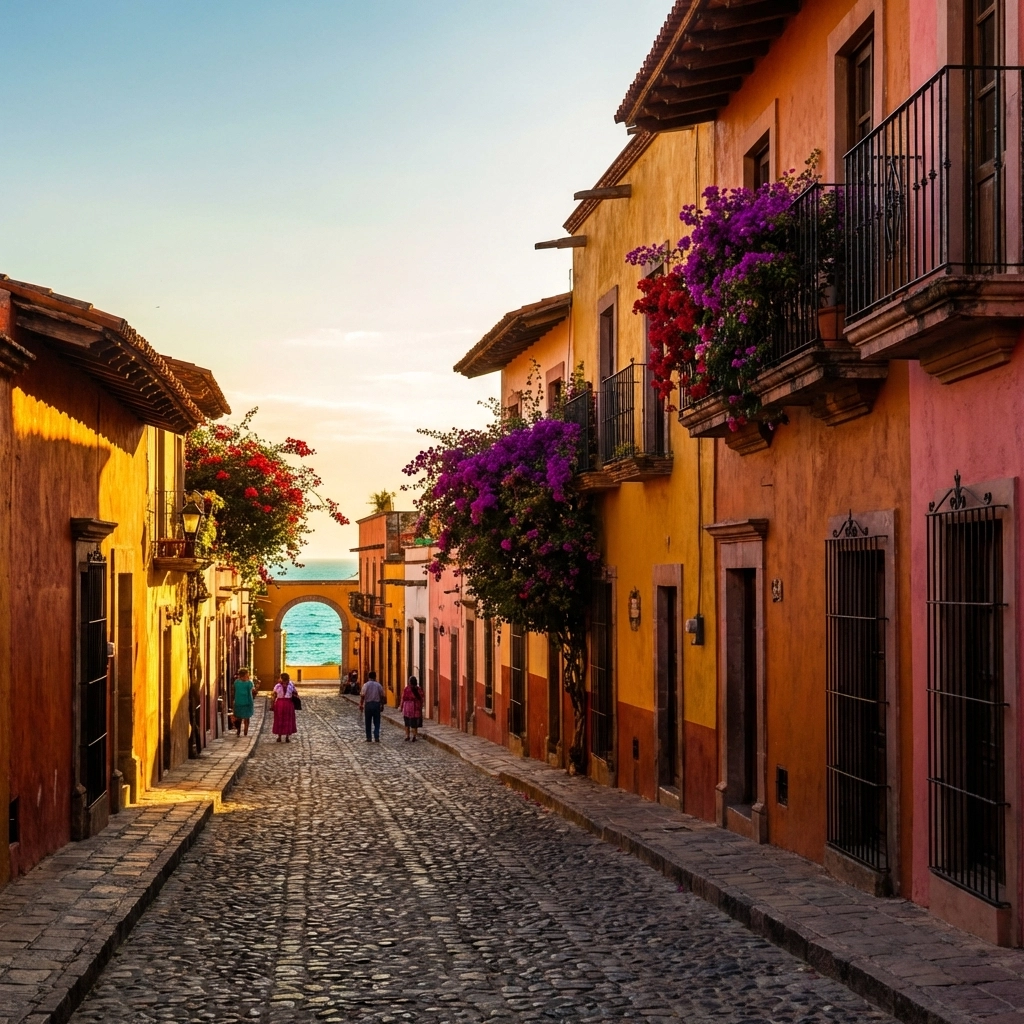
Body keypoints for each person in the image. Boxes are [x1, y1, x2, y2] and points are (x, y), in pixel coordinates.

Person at [360, 670, 385, 743]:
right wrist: (382, 705)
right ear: (375, 677)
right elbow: (382, 696)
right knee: (377, 721)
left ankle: (369, 737)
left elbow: (362, 696)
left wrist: (361, 704)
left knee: (368, 721)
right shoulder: (378, 685)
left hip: (368, 705)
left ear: (368, 677)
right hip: (376, 705)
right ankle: (376, 736)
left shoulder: (366, 685)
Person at [273, 672, 298, 743]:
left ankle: (279, 736)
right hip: (288, 704)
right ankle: (287, 737)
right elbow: (295, 693)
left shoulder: (277, 686)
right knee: (288, 720)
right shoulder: (291, 685)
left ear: (281, 679)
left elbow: (274, 695)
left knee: (279, 719)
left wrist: (272, 705)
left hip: (279, 704)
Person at [232, 668, 256, 738]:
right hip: (247, 702)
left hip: (238, 702)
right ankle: (245, 732)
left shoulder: (236, 682)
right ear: (245, 675)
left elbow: (234, 690)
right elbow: (253, 689)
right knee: (247, 718)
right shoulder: (249, 683)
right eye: (247, 675)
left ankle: (238, 731)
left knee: (239, 717)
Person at [401, 676, 424, 742]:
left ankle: (407, 736)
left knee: (407, 723)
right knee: (414, 722)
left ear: (409, 682)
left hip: (407, 708)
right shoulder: (419, 689)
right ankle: (414, 735)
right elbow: (422, 697)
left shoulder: (406, 689)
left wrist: (401, 707)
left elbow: (403, 698)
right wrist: (420, 706)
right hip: (415, 707)